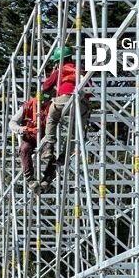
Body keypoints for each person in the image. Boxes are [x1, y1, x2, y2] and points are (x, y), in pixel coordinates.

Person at [35, 45, 89, 193]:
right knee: (74, 132)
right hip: (82, 105)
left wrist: (48, 94)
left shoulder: (60, 71)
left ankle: (49, 146)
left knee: (52, 116)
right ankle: (65, 155)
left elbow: (45, 87)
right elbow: (90, 91)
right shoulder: (82, 71)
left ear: (59, 60)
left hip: (64, 99)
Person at [8, 94, 50, 184]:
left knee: (53, 155)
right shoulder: (27, 106)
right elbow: (12, 123)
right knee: (24, 149)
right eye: (41, 103)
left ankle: (47, 179)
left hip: (46, 137)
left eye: (44, 103)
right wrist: (21, 129)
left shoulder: (51, 106)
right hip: (30, 137)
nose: (43, 104)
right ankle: (30, 178)